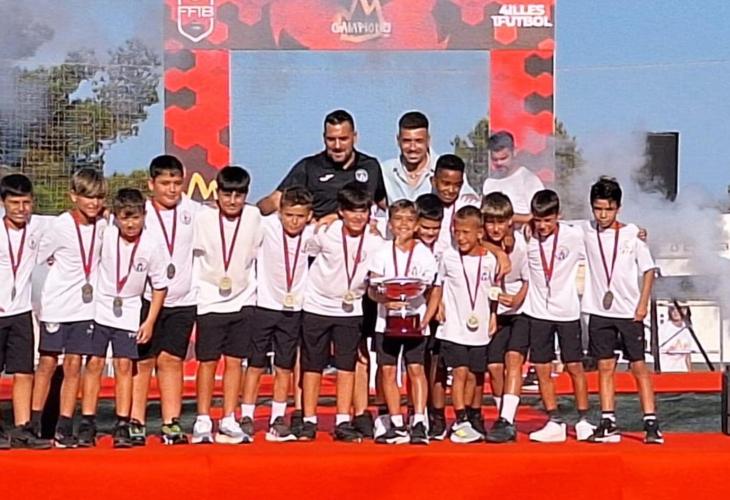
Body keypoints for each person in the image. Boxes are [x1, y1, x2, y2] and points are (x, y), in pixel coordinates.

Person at [82, 189, 169, 448]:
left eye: (136, 217)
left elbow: (160, 287)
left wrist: (149, 321)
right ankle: (87, 420)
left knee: (124, 366)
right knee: (94, 363)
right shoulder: (107, 233)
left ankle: (123, 421)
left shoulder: (152, 245)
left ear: (144, 215)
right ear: (116, 218)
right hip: (100, 307)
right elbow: (96, 212)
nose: (130, 224)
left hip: (130, 310)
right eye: (124, 218)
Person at [299, 183, 385, 442]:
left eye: (363, 211)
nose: (358, 216)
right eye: (352, 211)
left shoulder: (376, 240)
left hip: (351, 310)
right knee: (312, 364)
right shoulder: (325, 232)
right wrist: (322, 220)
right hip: (316, 305)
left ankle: (343, 420)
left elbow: (400, 226)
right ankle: (308, 419)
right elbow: (303, 248)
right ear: (341, 211)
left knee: (347, 366)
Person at [30, 168, 107, 448]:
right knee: (48, 363)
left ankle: (64, 425)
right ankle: (34, 424)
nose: (93, 203)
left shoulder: (103, 226)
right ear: (74, 196)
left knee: (74, 364)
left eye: (98, 197)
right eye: (88, 197)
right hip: (56, 305)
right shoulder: (59, 226)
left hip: (86, 307)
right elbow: (36, 257)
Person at [582, 177, 663, 444]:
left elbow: (648, 270)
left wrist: (642, 304)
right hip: (599, 310)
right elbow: (553, 225)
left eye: (608, 209)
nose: (603, 215)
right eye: (598, 209)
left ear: (618, 208)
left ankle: (651, 421)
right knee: (605, 366)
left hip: (629, 311)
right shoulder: (585, 230)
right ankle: (608, 420)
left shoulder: (632, 234)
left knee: (638, 366)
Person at [130, 155, 200, 446]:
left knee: (172, 360)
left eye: (177, 183)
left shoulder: (194, 210)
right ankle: (135, 421)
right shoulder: (140, 213)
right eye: (165, 183)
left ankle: (171, 422)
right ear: (151, 184)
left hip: (183, 300)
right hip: (145, 298)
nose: (172, 189)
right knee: (143, 361)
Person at [191, 166, 261, 445]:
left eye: (238, 195)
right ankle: (202, 418)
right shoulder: (202, 217)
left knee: (235, 362)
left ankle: (229, 417)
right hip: (209, 300)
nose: (232, 201)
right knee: (207, 362)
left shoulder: (255, 217)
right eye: (227, 194)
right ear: (216, 194)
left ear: (246, 195)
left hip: (243, 299)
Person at [240, 186, 314, 442]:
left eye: (300, 216)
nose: (294, 221)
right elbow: (248, 214)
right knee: (255, 364)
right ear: (280, 212)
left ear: (309, 216)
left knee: (284, 365)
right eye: (289, 215)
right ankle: (246, 415)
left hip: (294, 309)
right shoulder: (267, 226)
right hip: (264, 305)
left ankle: (278, 417)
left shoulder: (312, 233)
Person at [519, 190, 593, 443]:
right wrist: (525, 222)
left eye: (548, 220)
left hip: (567, 312)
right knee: (542, 368)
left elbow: (601, 230)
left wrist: (637, 232)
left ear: (559, 216)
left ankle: (583, 420)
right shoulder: (527, 236)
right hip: (537, 312)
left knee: (574, 367)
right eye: (538, 220)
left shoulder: (574, 235)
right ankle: (554, 421)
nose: (542, 226)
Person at [424, 206, 497, 444]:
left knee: (475, 375)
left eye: (466, 232)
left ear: (479, 233)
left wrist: (494, 315)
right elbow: (438, 286)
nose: (460, 237)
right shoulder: (448, 257)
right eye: (457, 232)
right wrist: (437, 307)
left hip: (479, 328)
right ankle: (460, 419)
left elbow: (493, 292)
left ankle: (470, 416)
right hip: (453, 328)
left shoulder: (490, 260)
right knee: (459, 372)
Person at [368, 199, 437, 445]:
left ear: (417, 224)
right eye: (398, 219)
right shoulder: (381, 252)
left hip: (415, 320)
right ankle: (396, 423)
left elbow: (431, 289)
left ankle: (418, 421)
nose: (403, 224)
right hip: (385, 322)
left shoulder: (424, 254)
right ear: (390, 224)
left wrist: (426, 318)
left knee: (416, 369)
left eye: (409, 220)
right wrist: (385, 300)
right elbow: (372, 288)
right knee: (388, 370)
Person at [257, 109, 387, 223]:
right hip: (319, 234)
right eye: (331, 139)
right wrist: (252, 213)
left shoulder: (371, 166)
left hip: (359, 235)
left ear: (354, 137)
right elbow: (275, 201)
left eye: (343, 139)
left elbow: (384, 202)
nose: (337, 146)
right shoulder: (309, 167)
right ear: (324, 138)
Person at [0, 174, 50, 449]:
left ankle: (23, 429)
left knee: (24, 372)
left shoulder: (39, 225)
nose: (21, 209)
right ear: (3, 202)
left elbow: (73, 220)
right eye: (15, 203)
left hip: (21, 312)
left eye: (26, 202)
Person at [480, 193, 529, 440]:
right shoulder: (479, 246)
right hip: (493, 312)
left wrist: (518, 298)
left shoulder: (521, 245)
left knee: (513, 359)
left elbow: (529, 279)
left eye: (500, 222)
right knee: (494, 366)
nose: (495, 228)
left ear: (510, 221)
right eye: (490, 222)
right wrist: (497, 252)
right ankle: (502, 416)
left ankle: (506, 419)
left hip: (519, 310)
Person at [413, 194, 449, 440]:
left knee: (437, 365)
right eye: (425, 227)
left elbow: (446, 278)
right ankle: (417, 411)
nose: (430, 233)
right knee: (415, 365)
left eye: (435, 228)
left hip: (439, 312)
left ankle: (437, 413)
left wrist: (440, 303)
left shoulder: (445, 247)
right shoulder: (407, 245)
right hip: (414, 310)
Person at [481, 131, 545, 226]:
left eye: (503, 158)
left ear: (514, 152)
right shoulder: (489, 182)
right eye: (495, 159)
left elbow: (541, 214)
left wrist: (506, 217)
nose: (499, 163)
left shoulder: (528, 180)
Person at [657, 305, 693, 372]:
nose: (675, 311)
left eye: (679, 308)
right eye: (672, 309)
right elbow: (659, 351)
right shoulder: (663, 328)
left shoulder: (687, 329)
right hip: (666, 371)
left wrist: (690, 372)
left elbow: (688, 355)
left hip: (683, 371)